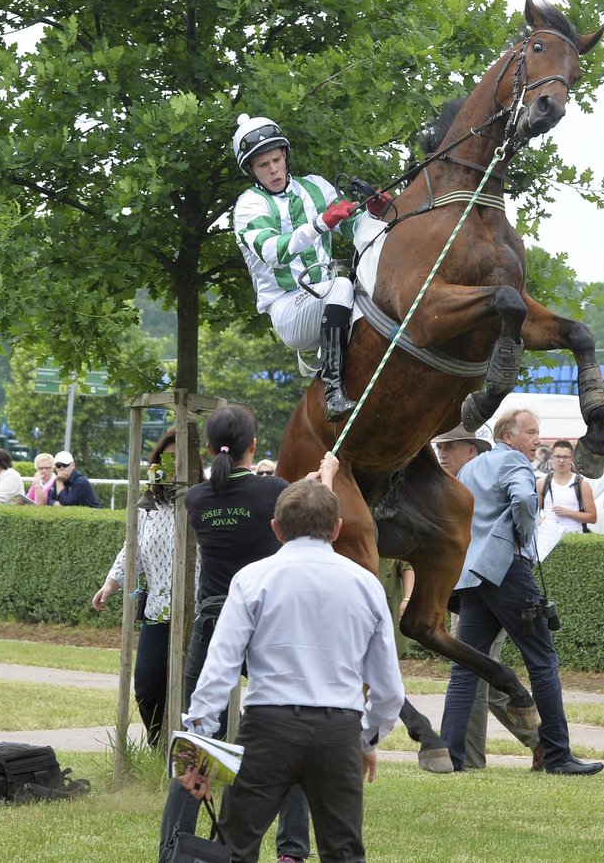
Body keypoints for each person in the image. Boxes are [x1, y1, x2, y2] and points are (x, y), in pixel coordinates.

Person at [179, 462, 405, 863]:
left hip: (269, 727)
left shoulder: (252, 579)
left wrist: (197, 749)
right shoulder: (366, 584)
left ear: (277, 529)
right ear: (337, 528)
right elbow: (388, 687)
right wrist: (367, 738)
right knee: (344, 852)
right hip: (339, 730)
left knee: (233, 847)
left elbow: (219, 670)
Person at [160, 405, 311, 863]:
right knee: (290, 735)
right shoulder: (275, 491)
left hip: (212, 620)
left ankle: (172, 852)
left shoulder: (197, 500)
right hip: (265, 622)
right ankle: (291, 852)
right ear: (254, 445)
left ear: (208, 448)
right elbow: (305, 515)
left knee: (198, 739)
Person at [439, 407, 604, 777]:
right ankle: (559, 755)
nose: (536, 441)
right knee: (542, 661)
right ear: (508, 436)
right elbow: (525, 501)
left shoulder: (469, 468)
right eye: (530, 432)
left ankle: (450, 756)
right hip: (507, 570)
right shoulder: (513, 460)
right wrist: (525, 535)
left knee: (467, 667)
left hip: (473, 575)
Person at [225, 114, 391, 421]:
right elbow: (274, 252)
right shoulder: (249, 206)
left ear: (285, 156)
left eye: (276, 159)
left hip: (325, 299)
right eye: (263, 165)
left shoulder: (316, 187)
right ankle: (333, 393)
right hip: (287, 308)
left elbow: (355, 229)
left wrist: (376, 213)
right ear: (251, 170)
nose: (273, 169)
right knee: (342, 284)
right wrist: (321, 223)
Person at [433, 422, 541, 770]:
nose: (442, 454)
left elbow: (521, 508)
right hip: (469, 586)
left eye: (450, 447)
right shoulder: (454, 484)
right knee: (475, 672)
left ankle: (472, 758)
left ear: (472, 450)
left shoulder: (480, 478)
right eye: (440, 448)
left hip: (489, 581)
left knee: (475, 671)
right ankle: (538, 744)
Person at [92, 431, 182, 747]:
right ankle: (160, 747)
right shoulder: (148, 505)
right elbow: (132, 547)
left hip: (196, 614)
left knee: (192, 689)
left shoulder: (202, 501)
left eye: (179, 457)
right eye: (165, 458)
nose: (172, 465)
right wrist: (111, 583)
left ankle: (198, 751)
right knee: (147, 685)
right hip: (158, 611)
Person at [537, 439, 597, 535]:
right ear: (552, 457)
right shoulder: (542, 483)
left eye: (565, 457)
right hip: (548, 539)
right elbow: (533, 515)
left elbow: (593, 518)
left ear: (572, 459)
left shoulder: (582, 484)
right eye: (558, 456)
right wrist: (543, 524)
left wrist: (568, 513)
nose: (561, 460)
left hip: (574, 541)